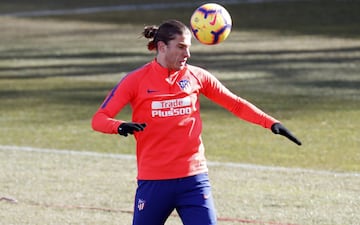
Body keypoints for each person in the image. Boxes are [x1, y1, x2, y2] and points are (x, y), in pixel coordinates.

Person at [92, 19, 301, 225]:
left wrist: (272, 123)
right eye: (181, 47)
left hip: (194, 180)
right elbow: (99, 119)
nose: (187, 54)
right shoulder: (135, 80)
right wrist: (119, 126)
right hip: (154, 181)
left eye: (189, 48)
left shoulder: (197, 76)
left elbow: (235, 104)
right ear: (162, 47)